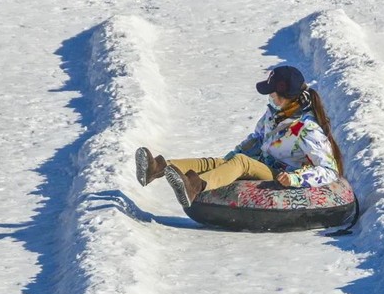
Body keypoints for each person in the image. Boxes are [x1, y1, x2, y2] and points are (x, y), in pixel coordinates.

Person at [135, 65, 344, 207]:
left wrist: (295, 178)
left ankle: (194, 187)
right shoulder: (275, 114)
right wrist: (231, 157)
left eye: (273, 94)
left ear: (287, 97)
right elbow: (257, 138)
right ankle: (158, 167)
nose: (270, 97)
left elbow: (329, 170)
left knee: (242, 162)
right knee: (220, 161)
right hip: (265, 163)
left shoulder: (307, 129)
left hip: (282, 175)